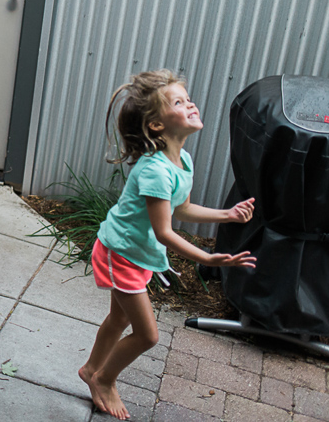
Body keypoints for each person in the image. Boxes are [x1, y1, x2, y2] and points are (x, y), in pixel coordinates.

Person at [80, 70, 256, 419]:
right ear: (157, 125)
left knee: (118, 319)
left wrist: (228, 215)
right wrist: (208, 257)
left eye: (187, 98)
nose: (190, 103)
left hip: (135, 252)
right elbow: (164, 231)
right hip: (121, 253)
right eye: (178, 101)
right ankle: (104, 379)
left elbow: (183, 208)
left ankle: (91, 369)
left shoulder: (182, 162)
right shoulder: (156, 171)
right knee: (148, 335)